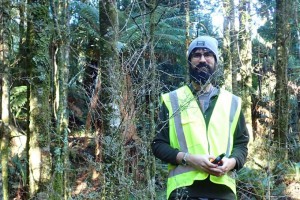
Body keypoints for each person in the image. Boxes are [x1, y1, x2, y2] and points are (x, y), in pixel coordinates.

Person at [151, 35, 249, 200]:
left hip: (223, 191)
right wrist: (189, 159)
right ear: (189, 62)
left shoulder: (232, 102)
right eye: (196, 55)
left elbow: (241, 145)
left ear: (215, 61)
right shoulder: (172, 99)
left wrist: (231, 163)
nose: (202, 59)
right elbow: (158, 145)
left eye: (208, 54)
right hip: (183, 191)